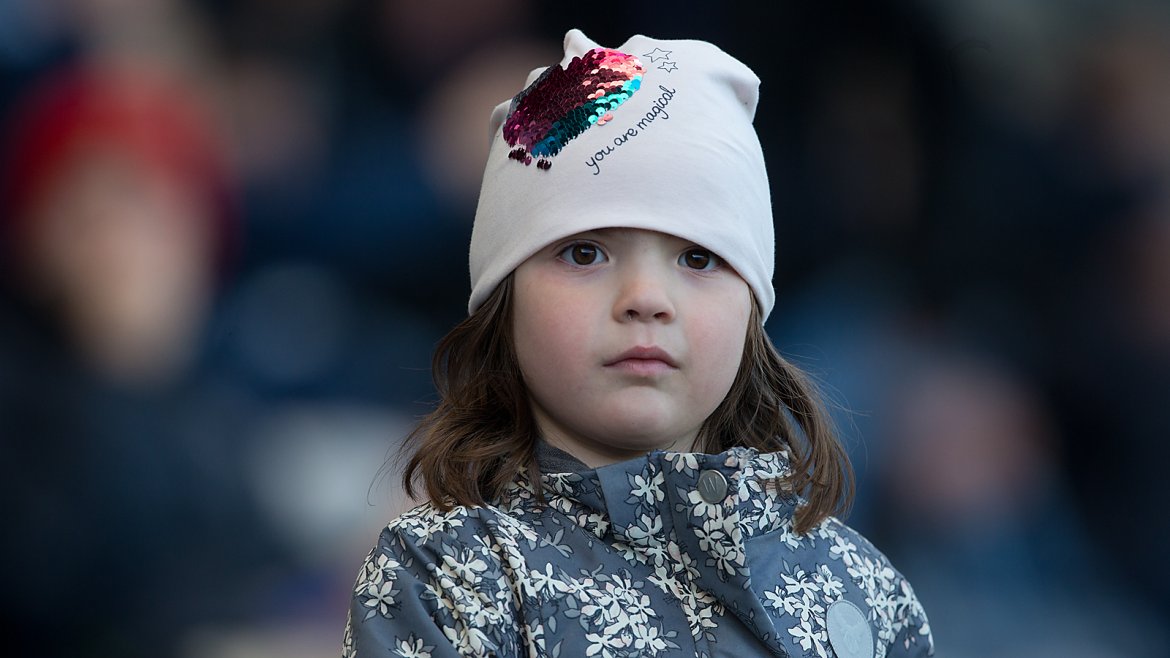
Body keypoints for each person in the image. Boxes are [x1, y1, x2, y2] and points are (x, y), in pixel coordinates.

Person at [344, 29, 933, 658]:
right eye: (585, 252)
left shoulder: (862, 593)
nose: (646, 297)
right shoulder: (446, 574)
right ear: (503, 301)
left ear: (751, 313)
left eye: (700, 258)